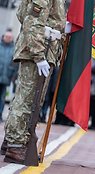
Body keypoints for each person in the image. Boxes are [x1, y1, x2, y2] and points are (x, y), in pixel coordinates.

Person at [0, 0, 65, 164]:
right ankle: (17, 145)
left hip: (43, 49)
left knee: (26, 98)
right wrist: (38, 55)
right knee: (28, 100)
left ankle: (11, 141)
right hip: (38, 51)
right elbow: (32, 21)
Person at [0, 30, 17, 122]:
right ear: (3, 37)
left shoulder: (14, 49)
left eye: (10, 37)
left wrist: (12, 76)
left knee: (2, 98)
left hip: (6, 77)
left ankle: (0, 114)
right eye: (6, 37)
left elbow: (15, 65)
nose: (8, 39)